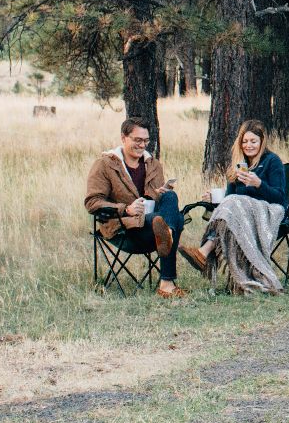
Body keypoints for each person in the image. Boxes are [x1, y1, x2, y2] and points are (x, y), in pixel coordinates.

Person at [85, 117, 206, 298]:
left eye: (146, 141)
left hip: (152, 229)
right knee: (175, 219)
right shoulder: (104, 165)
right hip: (125, 231)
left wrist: (157, 193)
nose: (142, 145)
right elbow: (92, 202)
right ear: (123, 138)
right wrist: (126, 209)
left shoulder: (153, 164)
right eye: (137, 140)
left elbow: (153, 200)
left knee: (169, 196)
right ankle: (167, 281)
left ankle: (168, 234)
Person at [225, 119, 289, 217]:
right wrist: (213, 199)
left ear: (262, 142)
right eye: (244, 141)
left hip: (265, 211)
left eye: (253, 141)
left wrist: (259, 184)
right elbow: (229, 197)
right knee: (226, 208)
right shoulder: (239, 163)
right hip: (240, 211)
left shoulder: (272, 161)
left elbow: (280, 198)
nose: (248, 145)